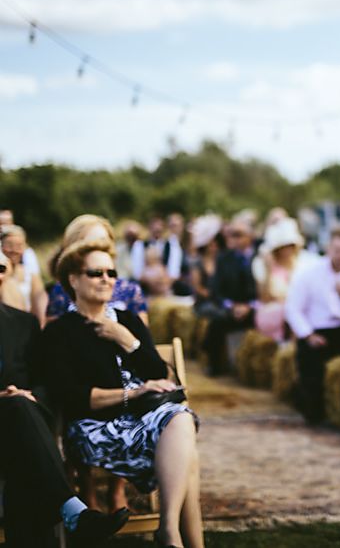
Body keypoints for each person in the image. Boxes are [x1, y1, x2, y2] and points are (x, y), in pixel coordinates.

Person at [42, 240, 203, 548]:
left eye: (111, 272)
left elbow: (158, 374)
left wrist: (128, 341)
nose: (107, 279)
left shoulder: (127, 321)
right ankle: (180, 539)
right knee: (189, 457)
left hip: (145, 424)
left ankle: (168, 529)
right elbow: (71, 397)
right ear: (73, 280)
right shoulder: (59, 332)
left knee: (181, 417)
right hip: (94, 430)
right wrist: (133, 394)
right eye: (96, 272)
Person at [0, 254, 129, 547]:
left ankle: (74, 514)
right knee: (25, 436)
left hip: (16, 428)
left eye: (0, 268)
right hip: (16, 424)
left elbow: (45, 385)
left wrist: (30, 396)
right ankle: (74, 511)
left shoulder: (24, 324)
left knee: (24, 436)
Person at [284, 226, 340, 424]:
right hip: (317, 329)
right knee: (310, 359)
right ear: (329, 249)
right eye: (337, 251)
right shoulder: (309, 273)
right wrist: (308, 335)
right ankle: (313, 411)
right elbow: (293, 308)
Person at [47, 214, 148, 325]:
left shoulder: (131, 291)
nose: (98, 248)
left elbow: (142, 338)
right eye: (89, 244)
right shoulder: (60, 291)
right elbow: (53, 336)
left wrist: (124, 337)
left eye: (104, 242)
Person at [202, 217, 258, 376]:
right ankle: (215, 365)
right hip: (231, 308)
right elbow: (216, 290)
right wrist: (232, 306)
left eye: (238, 234)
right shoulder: (223, 259)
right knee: (216, 322)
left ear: (250, 237)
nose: (233, 238)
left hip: (256, 308)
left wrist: (250, 306)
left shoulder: (261, 257)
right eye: (231, 234)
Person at [251, 217, 307, 342]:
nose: (287, 250)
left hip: (298, 310)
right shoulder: (263, 266)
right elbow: (264, 296)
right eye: (283, 246)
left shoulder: (301, 264)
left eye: (290, 246)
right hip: (274, 312)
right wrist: (268, 270)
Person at [0, 225, 47, 326]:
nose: (14, 250)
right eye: (9, 245)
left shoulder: (30, 274)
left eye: (19, 246)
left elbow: (39, 302)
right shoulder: (2, 276)